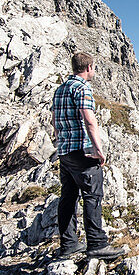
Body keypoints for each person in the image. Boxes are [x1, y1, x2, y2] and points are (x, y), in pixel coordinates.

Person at [51, 52, 122, 259]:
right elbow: (89, 120)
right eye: (94, 67)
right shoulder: (82, 89)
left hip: (64, 152)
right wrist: (98, 149)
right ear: (89, 67)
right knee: (92, 196)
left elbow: (54, 121)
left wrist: (60, 142)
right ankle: (97, 244)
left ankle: (69, 244)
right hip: (82, 151)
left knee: (68, 198)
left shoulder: (60, 90)